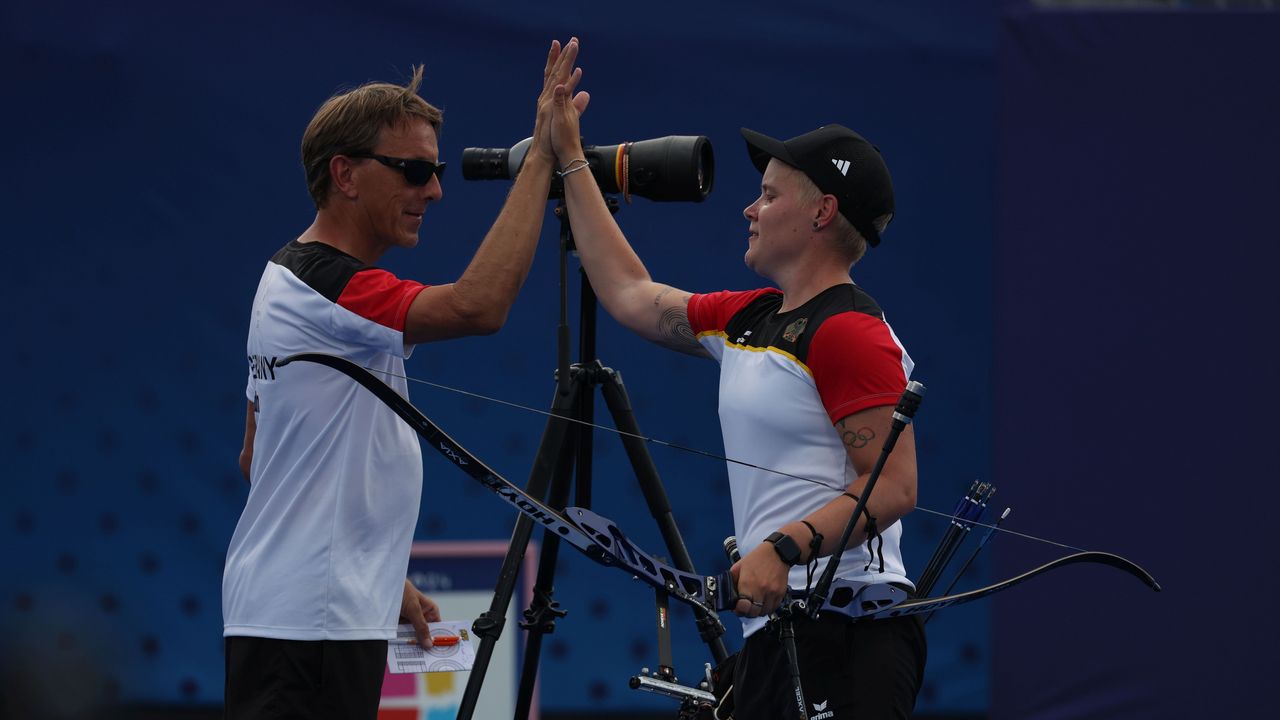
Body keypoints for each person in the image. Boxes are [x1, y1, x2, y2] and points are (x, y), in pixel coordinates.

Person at [223, 40, 590, 720]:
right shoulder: (323, 285)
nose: (436, 190)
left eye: (437, 169)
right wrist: (541, 158)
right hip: (311, 625)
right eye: (415, 170)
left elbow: (257, 456)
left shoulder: (287, 276)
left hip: (311, 616)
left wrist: (378, 575)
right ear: (347, 175)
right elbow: (479, 307)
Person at [545, 82, 926, 717]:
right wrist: (572, 160)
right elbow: (631, 293)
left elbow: (892, 487)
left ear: (822, 212)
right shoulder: (750, 318)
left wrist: (781, 548)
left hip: (850, 631)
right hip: (779, 630)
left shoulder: (851, 333)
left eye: (770, 196)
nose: (750, 209)